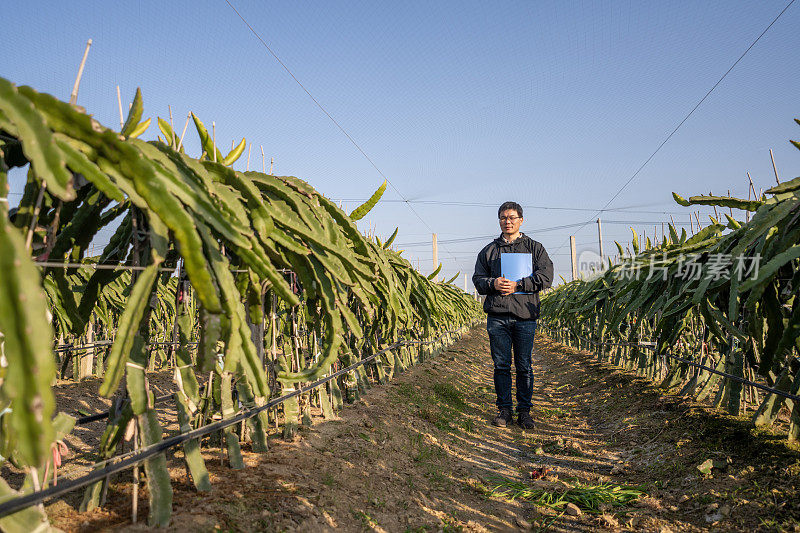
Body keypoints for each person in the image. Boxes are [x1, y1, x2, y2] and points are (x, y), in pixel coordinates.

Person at [472, 201, 553, 429]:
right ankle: (504, 409)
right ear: (499, 220)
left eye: (512, 217)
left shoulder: (535, 249)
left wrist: (519, 284)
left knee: (525, 365)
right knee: (501, 365)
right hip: (497, 316)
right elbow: (478, 281)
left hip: (525, 316)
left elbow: (546, 277)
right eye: (503, 217)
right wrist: (493, 282)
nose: (508, 221)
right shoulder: (489, 251)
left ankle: (524, 412)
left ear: (521, 220)